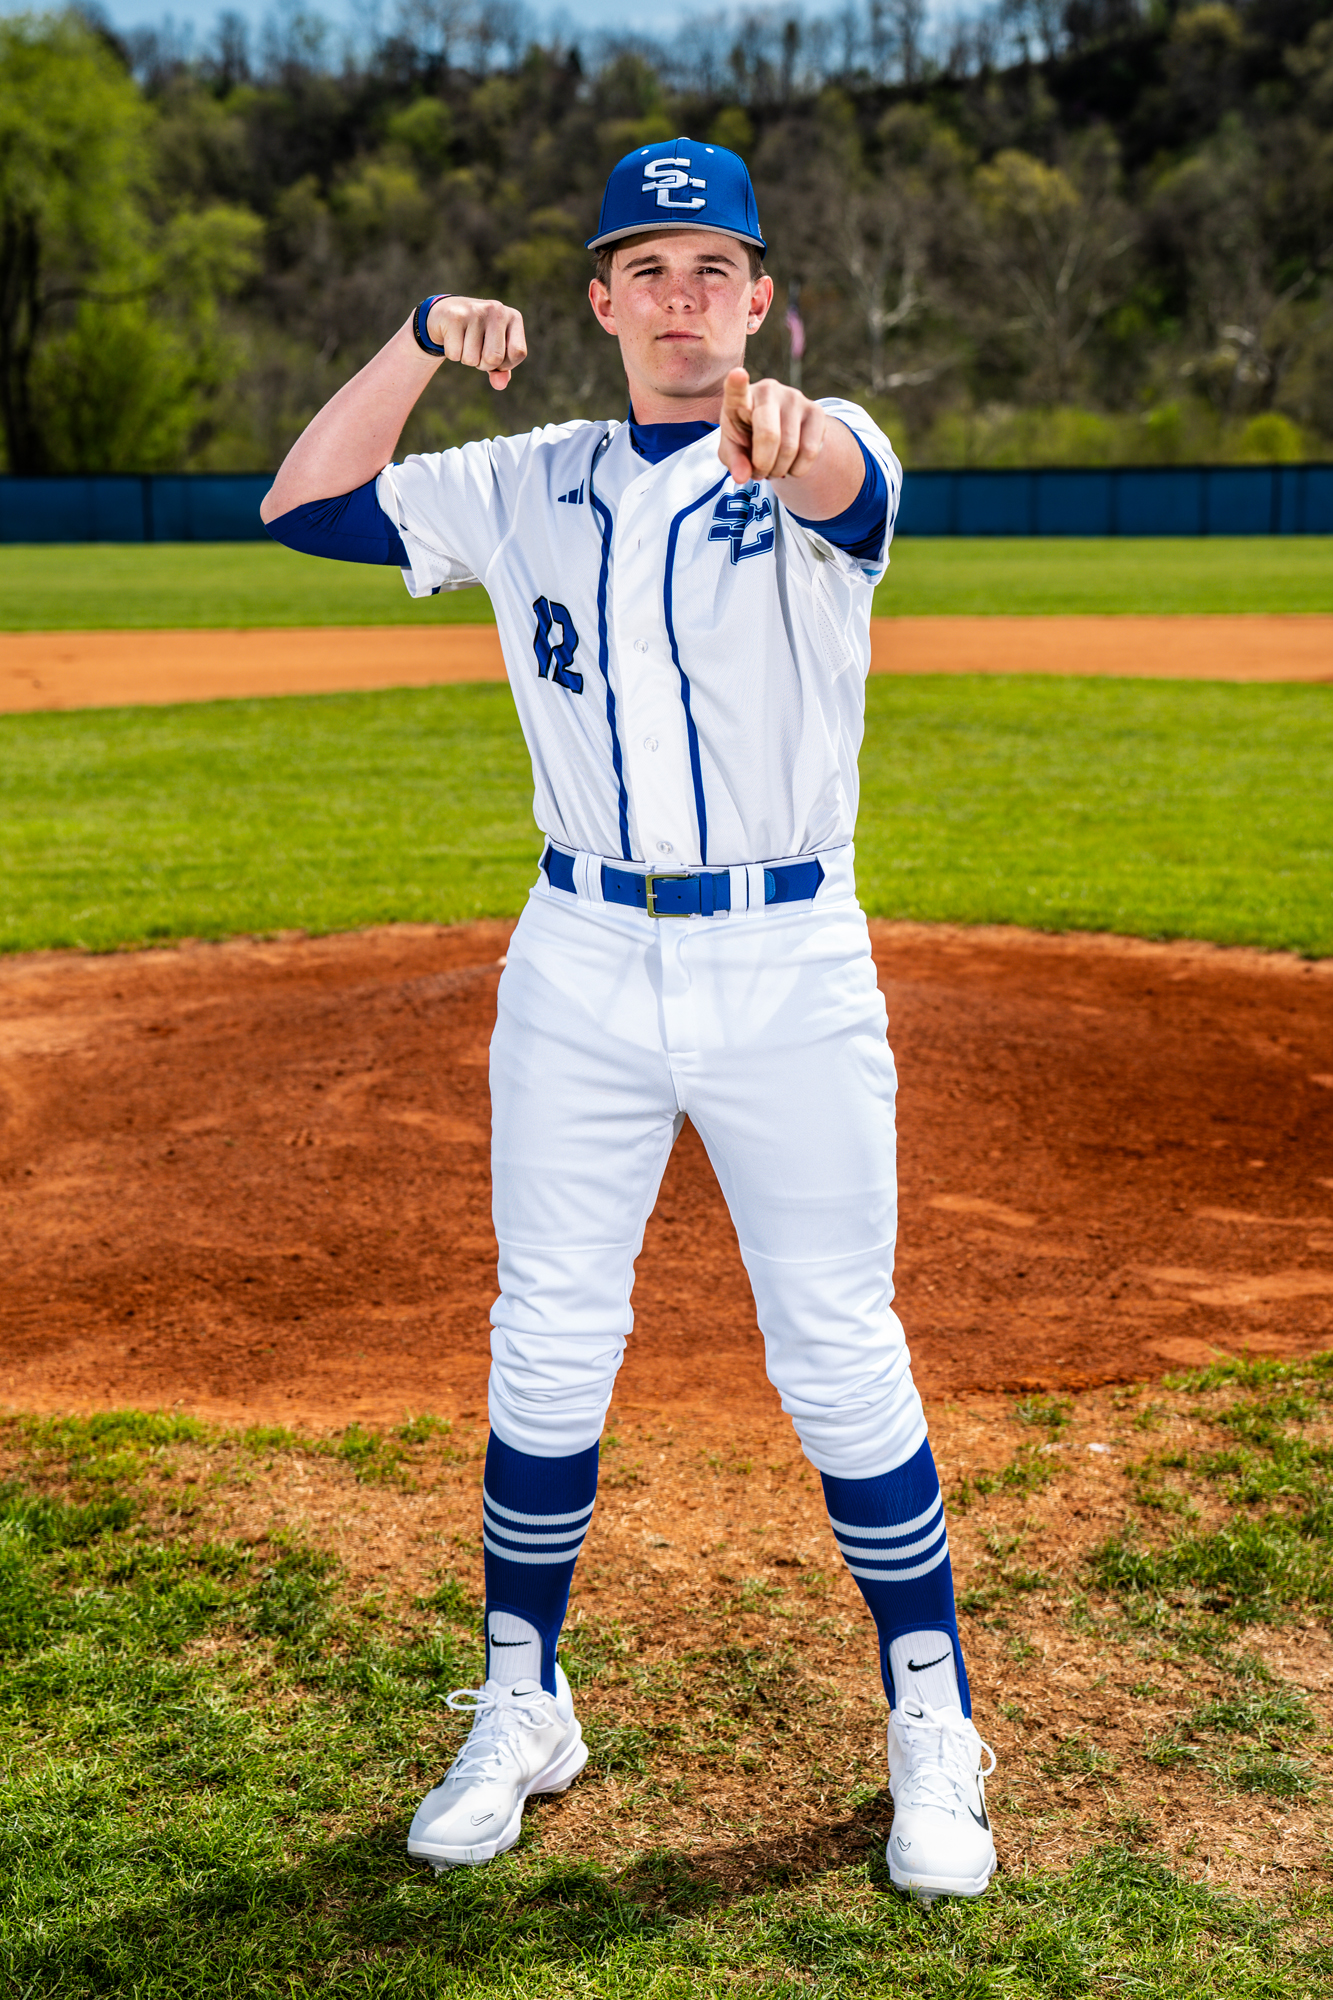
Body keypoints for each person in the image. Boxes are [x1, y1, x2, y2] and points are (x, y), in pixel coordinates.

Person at [260, 138, 995, 1901]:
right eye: (647, 271)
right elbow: (304, 503)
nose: (681, 299)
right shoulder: (528, 477)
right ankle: (523, 1703)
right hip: (577, 957)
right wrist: (416, 337)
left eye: (710, 270)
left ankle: (933, 1725)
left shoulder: (826, 445)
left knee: (837, 1352)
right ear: (599, 302)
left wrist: (789, 434)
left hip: (784, 960)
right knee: (546, 1340)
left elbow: (837, 478)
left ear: (758, 298)